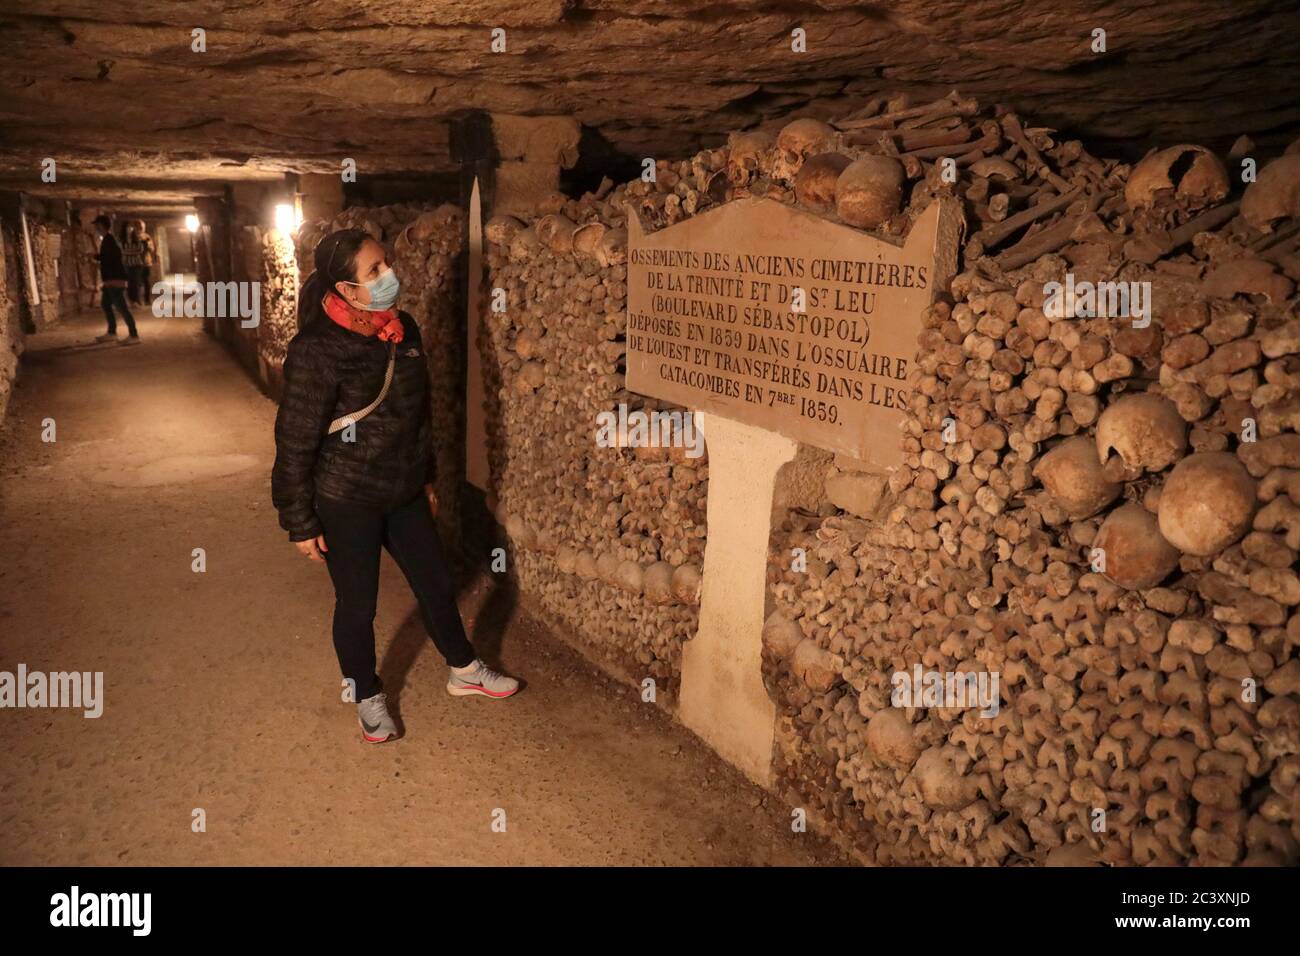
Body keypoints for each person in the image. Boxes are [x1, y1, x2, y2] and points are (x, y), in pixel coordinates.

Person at [271, 228, 518, 744]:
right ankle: (367, 694)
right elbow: (295, 438)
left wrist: (425, 476)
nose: (389, 277)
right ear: (345, 290)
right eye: (374, 271)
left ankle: (464, 669)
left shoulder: (402, 329)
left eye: (386, 264)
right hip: (347, 497)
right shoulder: (317, 349)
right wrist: (299, 520)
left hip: (402, 489)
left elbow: (415, 414)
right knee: (358, 603)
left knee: (435, 583)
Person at [91, 215, 140, 344]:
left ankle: (134, 335)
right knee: (106, 304)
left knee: (122, 308)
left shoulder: (109, 240)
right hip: (111, 280)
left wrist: (96, 258)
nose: (95, 228)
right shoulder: (108, 240)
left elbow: (109, 259)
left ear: (101, 225)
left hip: (114, 280)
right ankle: (112, 332)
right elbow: (109, 257)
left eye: (96, 225)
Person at [123, 220, 156, 306]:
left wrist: (146, 245)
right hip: (136, 263)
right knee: (135, 282)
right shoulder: (131, 238)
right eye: (137, 227)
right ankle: (136, 299)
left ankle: (147, 299)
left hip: (146, 263)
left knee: (146, 281)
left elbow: (151, 249)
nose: (139, 229)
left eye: (141, 227)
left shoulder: (147, 237)